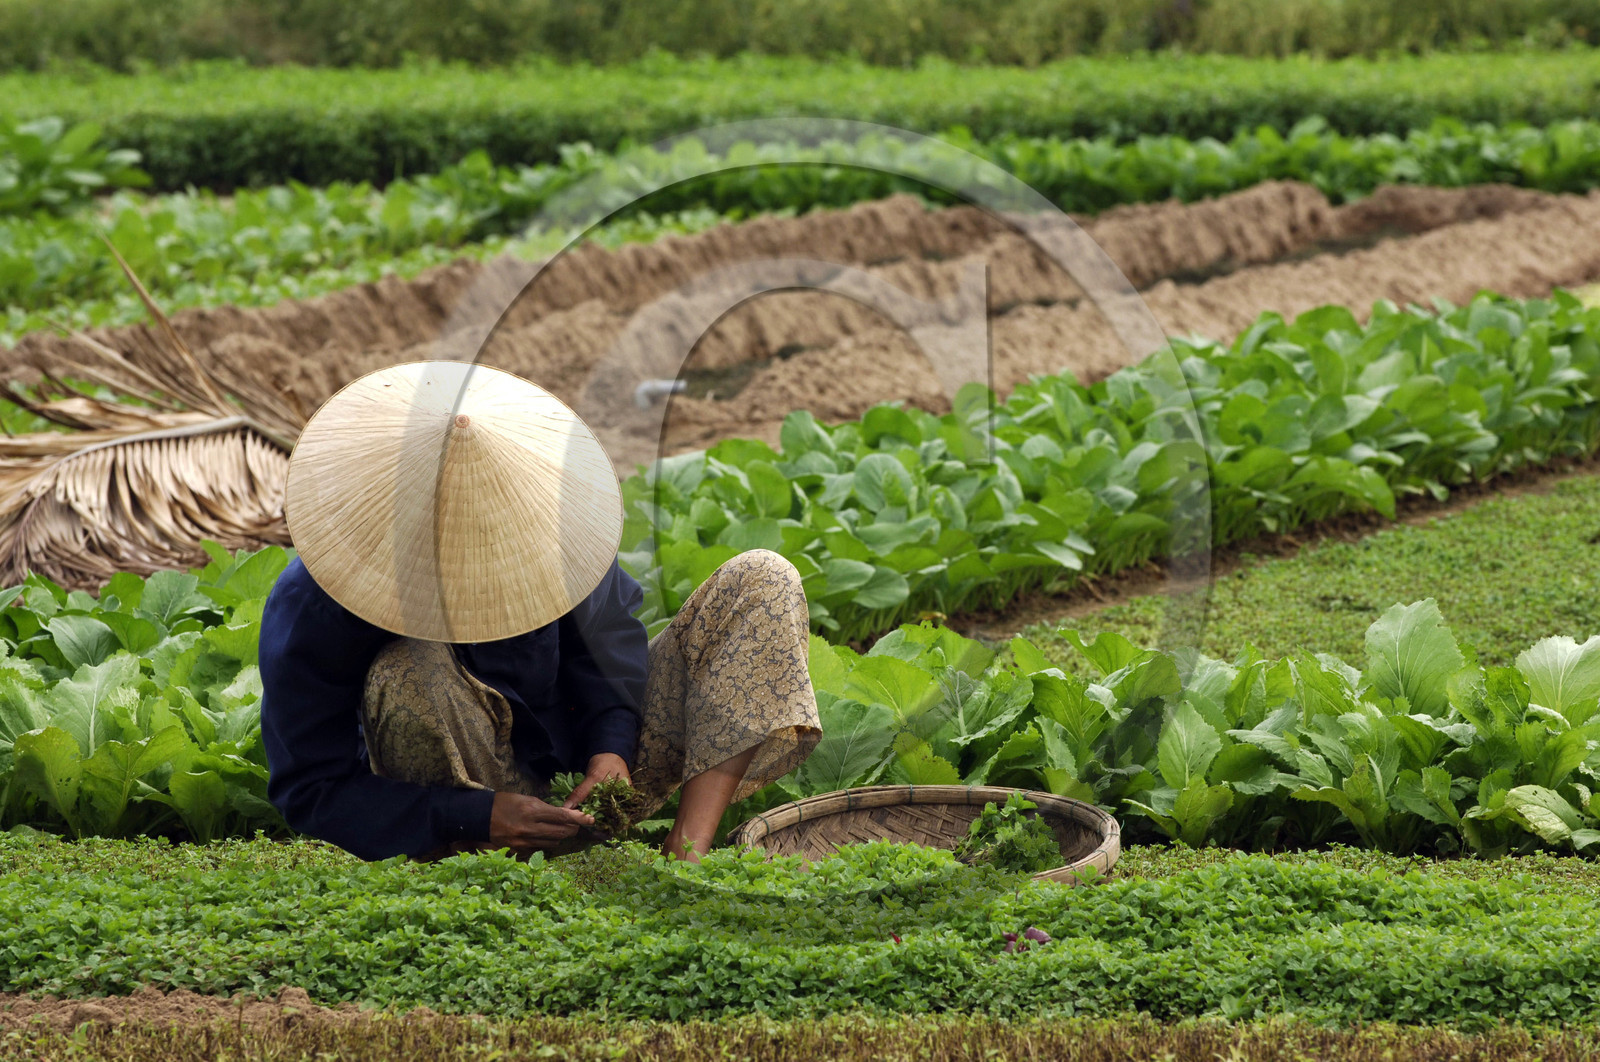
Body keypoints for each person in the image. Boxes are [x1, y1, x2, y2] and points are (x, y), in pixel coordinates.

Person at [258, 361, 821, 863]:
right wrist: (473, 815)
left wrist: (610, 747)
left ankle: (687, 848)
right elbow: (311, 790)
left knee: (761, 578)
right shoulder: (318, 600)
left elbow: (606, 657)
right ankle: (488, 863)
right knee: (407, 670)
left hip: (587, 788)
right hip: (459, 796)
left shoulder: (552, 532)